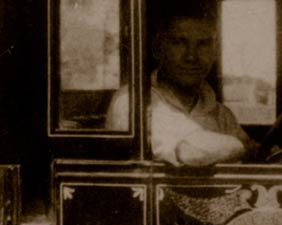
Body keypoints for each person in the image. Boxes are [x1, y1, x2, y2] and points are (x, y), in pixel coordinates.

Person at [107, 13, 257, 166]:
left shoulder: (221, 114)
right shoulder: (133, 100)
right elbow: (191, 151)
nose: (191, 56)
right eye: (179, 43)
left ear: (214, 51)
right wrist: (244, 146)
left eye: (203, 44)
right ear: (157, 48)